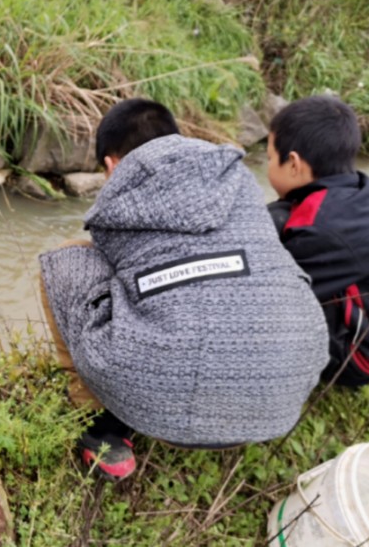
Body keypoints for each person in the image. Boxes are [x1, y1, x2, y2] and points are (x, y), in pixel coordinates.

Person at [39, 98, 329, 481]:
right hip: (279, 402)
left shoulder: (121, 192)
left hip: (155, 413)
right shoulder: (232, 175)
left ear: (112, 164)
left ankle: (102, 426)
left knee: (64, 260)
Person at [265, 95, 369, 388]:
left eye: (268, 159)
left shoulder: (323, 228)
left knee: (261, 302)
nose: (267, 168)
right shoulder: (351, 192)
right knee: (275, 220)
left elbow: (274, 298)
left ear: (293, 164)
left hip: (364, 357)